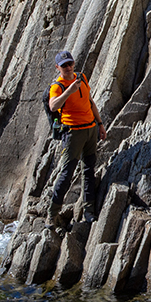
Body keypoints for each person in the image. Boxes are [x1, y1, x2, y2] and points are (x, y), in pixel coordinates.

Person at [48, 51, 107, 226]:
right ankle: (52, 214)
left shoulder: (81, 77)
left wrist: (100, 124)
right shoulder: (57, 86)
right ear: (57, 67)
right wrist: (69, 91)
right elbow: (53, 106)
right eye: (64, 65)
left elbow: (90, 102)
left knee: (88, 171)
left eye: (70, 63)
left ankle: (89, 211)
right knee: (67, 173)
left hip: (90, 130)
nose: (68, 67)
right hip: (73, 133)